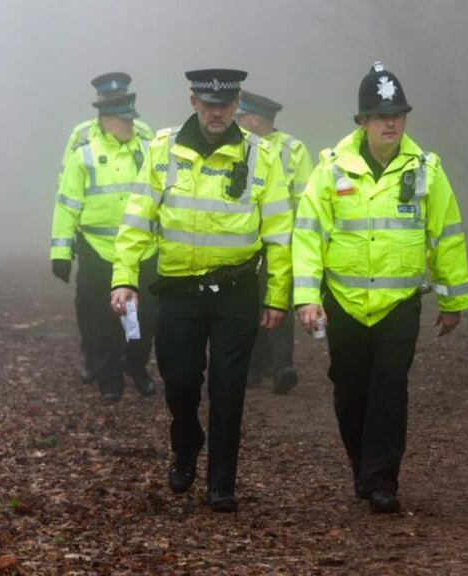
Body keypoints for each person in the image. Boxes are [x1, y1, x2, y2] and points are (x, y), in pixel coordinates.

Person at [292, 62, 468, 514]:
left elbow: (446, 235)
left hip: (399, 304)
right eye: (379, 115)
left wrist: (452, 300)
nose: (390, 122)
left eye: (397, 114)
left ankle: (382, 480)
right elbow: (309, 234)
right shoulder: (331, 170)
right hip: (346, 303)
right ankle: (363, 466)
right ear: (362, 122)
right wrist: (307, 296)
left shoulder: (427, 170)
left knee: (389, 389)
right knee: (351, 388)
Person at [110, 69, 293, 512]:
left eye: (225, 106)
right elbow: (137, 218)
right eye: (209, 104)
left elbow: (280, 232)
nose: (217, 113)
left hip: (236, 291)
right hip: (178, 290)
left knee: (229, 388)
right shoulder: (162, 149)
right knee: (182, 382)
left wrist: (277, 295)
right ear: (193, 101)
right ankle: (187, 443)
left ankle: (221, 482)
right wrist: (124, 276)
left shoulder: (261, 156)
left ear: (237, 108)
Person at [50, 72, 158, 403]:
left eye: (131, 118)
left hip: (142, 248)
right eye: (123, 119)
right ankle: (108, 376)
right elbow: (67, 202)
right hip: (98, 248)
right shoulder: (83, 149)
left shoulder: (148, 147)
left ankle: (137, 366)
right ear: (106, 118)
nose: (130, 125)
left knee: (147, 315)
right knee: (101, 318)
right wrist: (61, 250)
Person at [235, 91, 313, 395]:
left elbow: (305, 201)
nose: (236, 122)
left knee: (277, 298)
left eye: (240, 117)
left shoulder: (293, 150)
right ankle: (253, 366)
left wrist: (300, 241)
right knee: (246, 302)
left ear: (254, 120)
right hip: (245, 239)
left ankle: (282, 366)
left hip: (281, 239)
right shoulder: (238, 146)